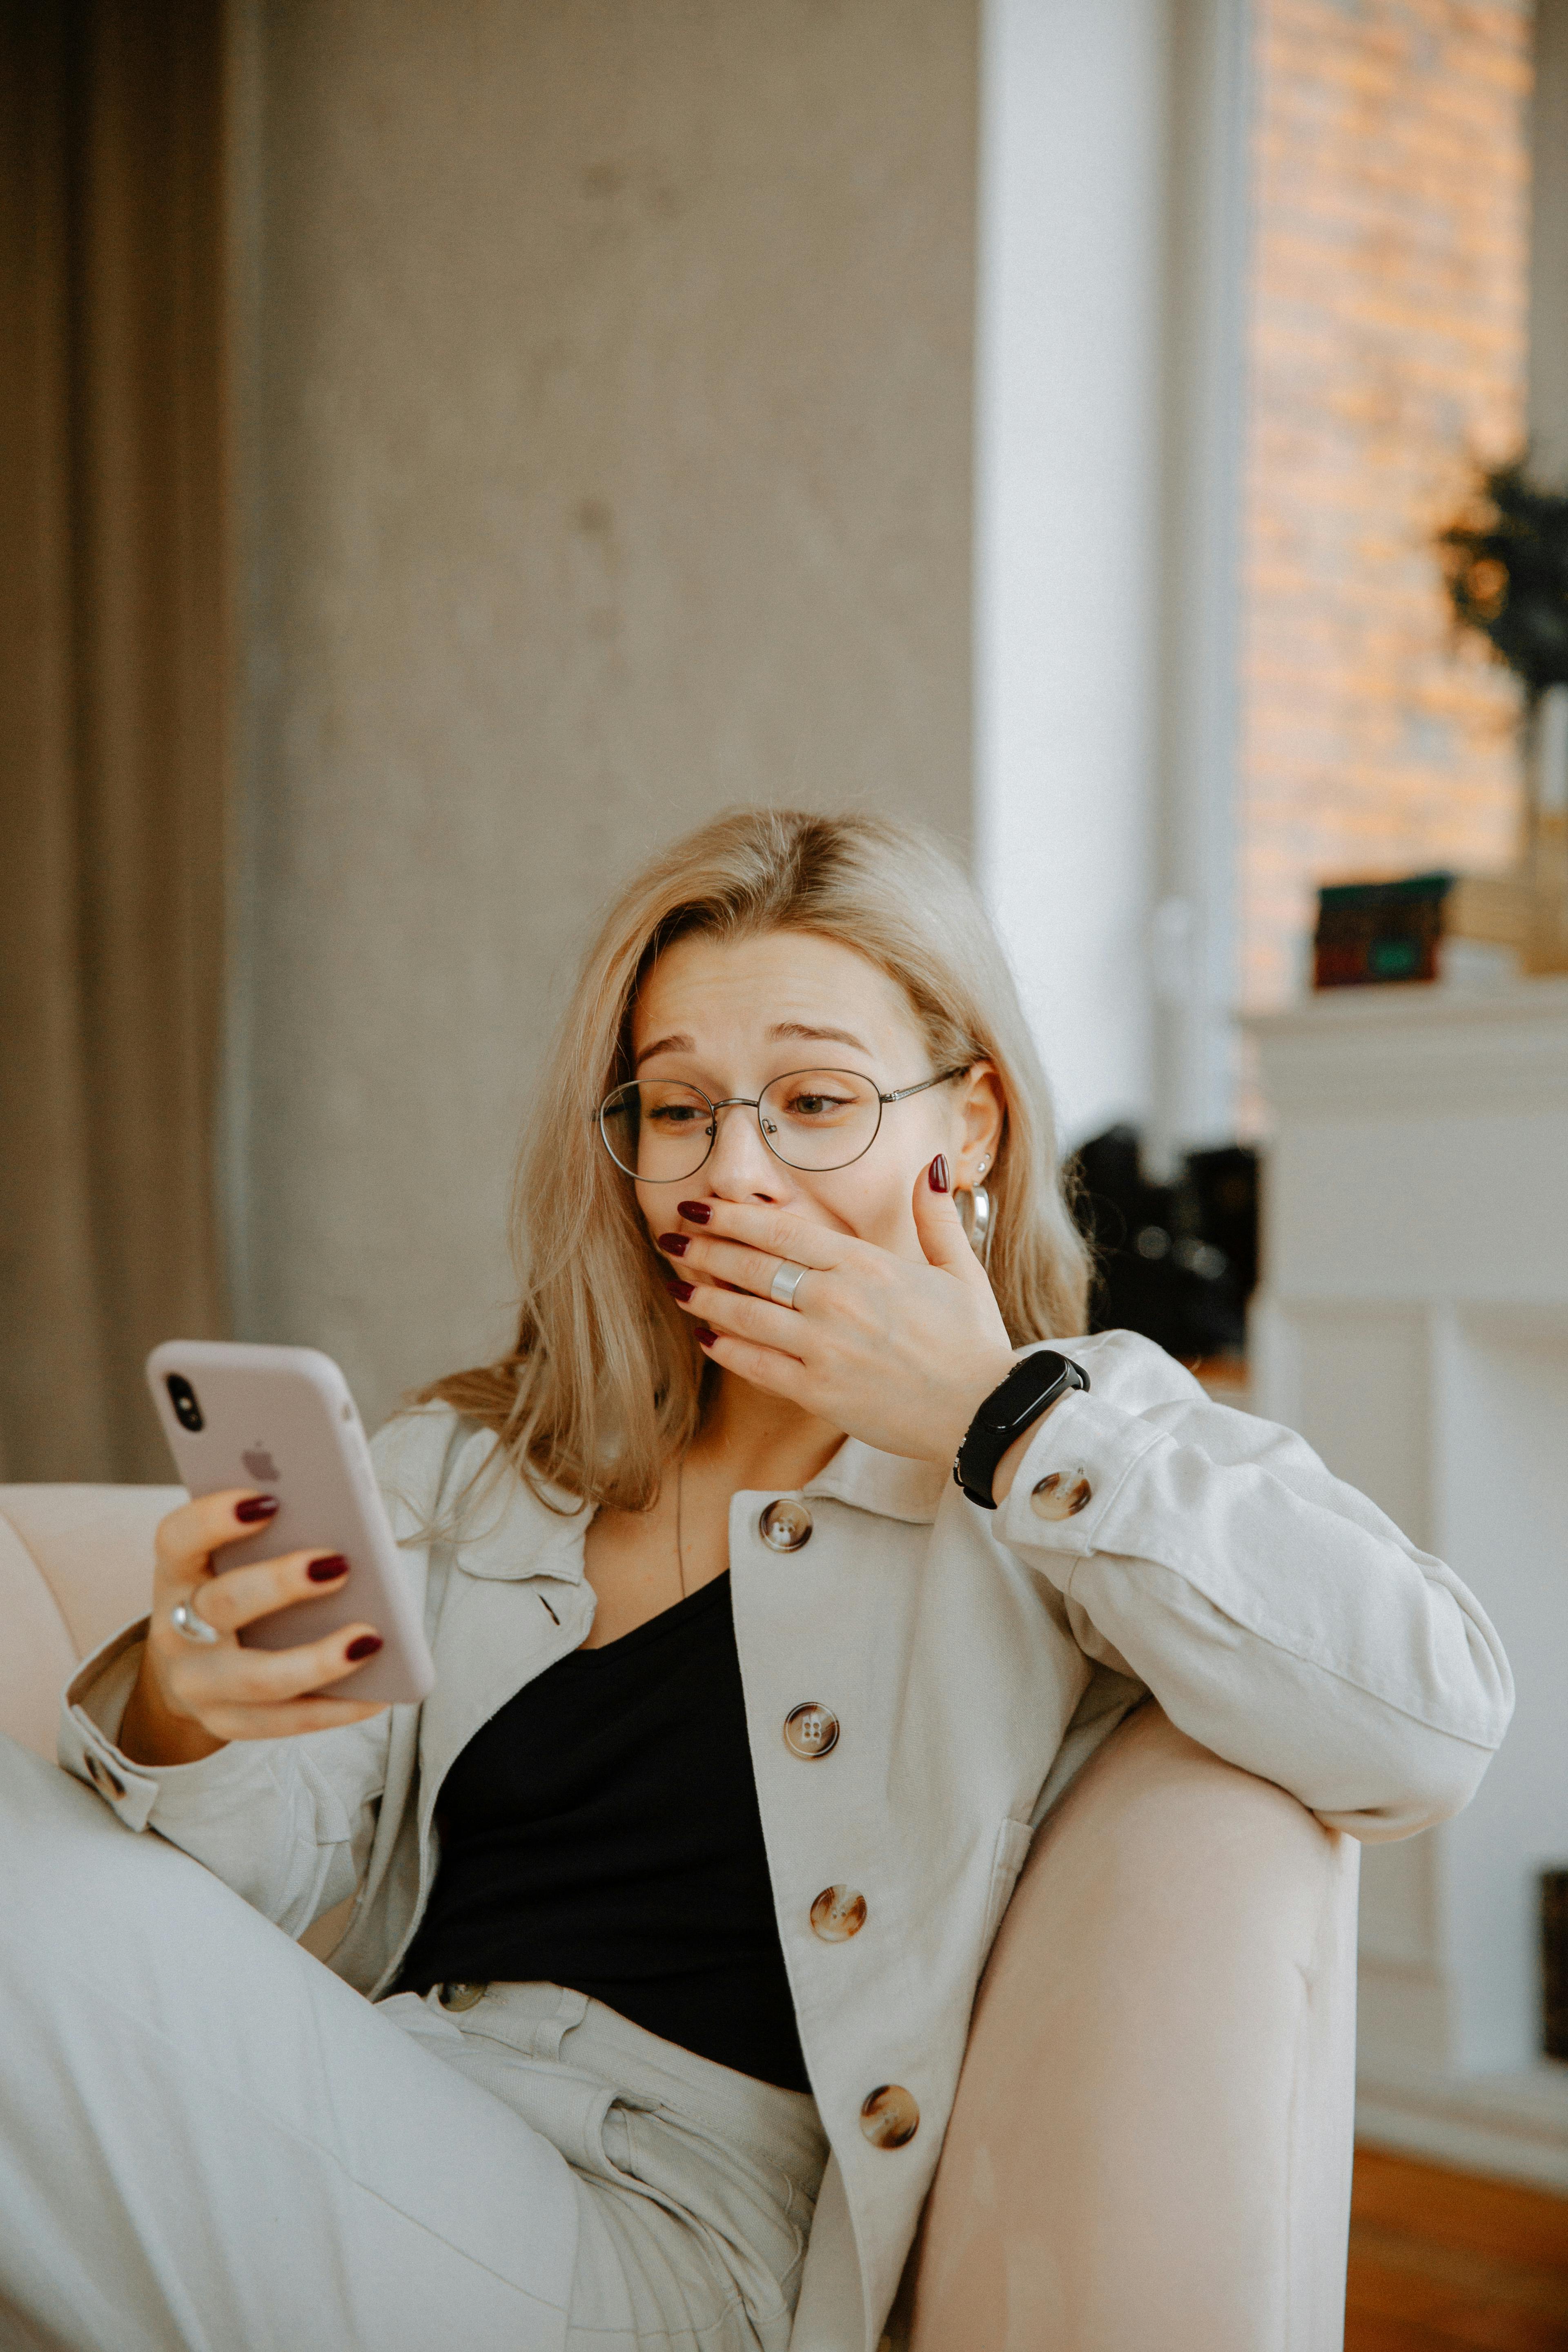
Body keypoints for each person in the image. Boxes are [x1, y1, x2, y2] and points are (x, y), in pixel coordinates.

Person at [0, 808, 1512, 2352]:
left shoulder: (1068, 1441)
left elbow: (1431, 1715)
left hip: (663, 2244)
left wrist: (987, 1415)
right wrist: (187, 1707)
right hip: (380, 2110)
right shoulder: (477, 1465)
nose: (733, 1175)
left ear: (971, 1127)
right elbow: (228, 1908)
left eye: (814, 1102)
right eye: (678, 1111)